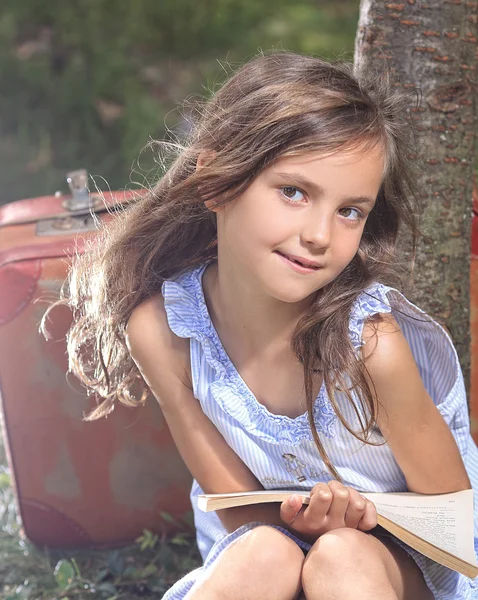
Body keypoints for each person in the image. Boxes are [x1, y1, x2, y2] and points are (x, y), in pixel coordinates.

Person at [52, 52, 478, 599]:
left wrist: (353, 526)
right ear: (215, 183)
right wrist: (299, 528)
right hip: (266, 558)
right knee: (265, 553)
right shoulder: (162, 332)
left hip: (398, 571)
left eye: (350, 211)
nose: (321, 234)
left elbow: (454, 527)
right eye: (294, 192)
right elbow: (237, 512)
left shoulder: (370, 345)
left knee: (340, 557)